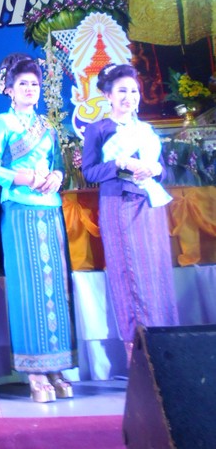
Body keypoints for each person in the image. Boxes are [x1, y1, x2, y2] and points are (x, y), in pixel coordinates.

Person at [0, 53, 77, 403]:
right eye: (23, 83)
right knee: (28, 287)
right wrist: (22, 178)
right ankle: (34, 369)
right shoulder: (0, 122)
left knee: (54, 286)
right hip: (19, 207)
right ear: (9, 89)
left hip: (49, 208)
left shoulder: (47, 125)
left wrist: (57, 177)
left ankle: (57, 365)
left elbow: (57, 165)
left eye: (35, 84)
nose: (30, 89)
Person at [81, 63, 179, 362]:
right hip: (119, 205)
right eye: (122, 91)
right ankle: (137, 356)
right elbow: (90, 172)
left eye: (134, 91)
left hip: (149, 207)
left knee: (156, 274)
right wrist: (119, 164)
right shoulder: (98, 129)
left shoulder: (146, 131)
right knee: (129, 275)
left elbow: (163, 171)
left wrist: (156, 169)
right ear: (107, 95)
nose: (129, 97)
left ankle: (165, 351)